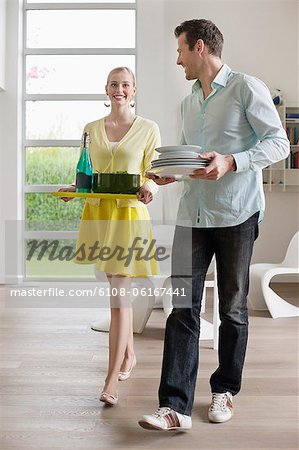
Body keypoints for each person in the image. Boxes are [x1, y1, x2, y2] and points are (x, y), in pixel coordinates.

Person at [138, 19, 290, 430]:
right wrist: (175, 173)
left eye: (181, 50)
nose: (177, 59)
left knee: (233, 307)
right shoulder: (189, 102)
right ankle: (174, 407)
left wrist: (233, 160)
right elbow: (197, 162)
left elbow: (279, 142)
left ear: (200, 47)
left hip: (237, 213)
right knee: (182, 307)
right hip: (193, 215)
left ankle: (225, 389)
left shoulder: (246, 87)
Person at [59, 67, 160, 406]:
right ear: (106, 89)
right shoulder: (90, 129)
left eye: (126, 84)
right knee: (117, 289)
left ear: (135, 90)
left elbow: (154, 176)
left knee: (118, 296)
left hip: (129, 218)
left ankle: (111, 379)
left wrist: (149, 188)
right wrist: (73, 191)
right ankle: (129, 357)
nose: (120, 89)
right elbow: (87, 175)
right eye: (114, 84)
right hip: (99, 216)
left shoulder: (148, 129)